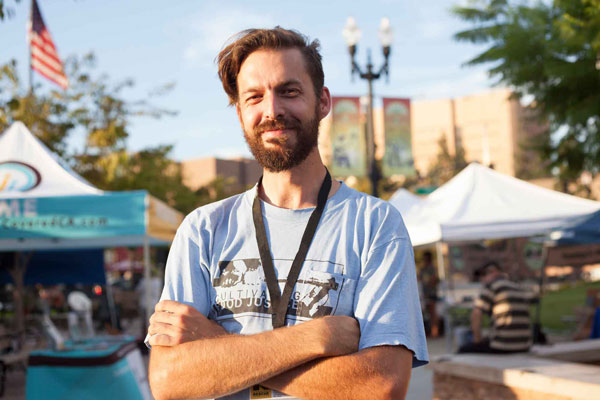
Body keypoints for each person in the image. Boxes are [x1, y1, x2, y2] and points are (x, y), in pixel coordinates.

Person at [147, 27, 428, 400]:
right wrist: (317, 337)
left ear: (323, 101)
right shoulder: (202, 230)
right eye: (254, 97)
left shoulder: (374, 225)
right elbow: (169, 380)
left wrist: (216, 345)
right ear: (240, 112)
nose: (272, 110)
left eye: (289, 91)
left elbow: (380, 386)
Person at [458, 261, 536, 354]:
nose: (481, 279)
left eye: (484, 275)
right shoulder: (516, 286)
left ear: (494, 272)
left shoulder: (492, 286)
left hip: (503, 345)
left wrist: (477, 340)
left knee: (462, 351)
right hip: (525, 345)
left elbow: (476, 314)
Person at [419, 250, 439, 337]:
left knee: (432, 312)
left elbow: (434, 280)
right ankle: (430, 331)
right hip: (424, 293)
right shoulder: (423, 269)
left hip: (431, 293)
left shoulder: (432, 268)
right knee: (427, 313)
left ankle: (435, 331)